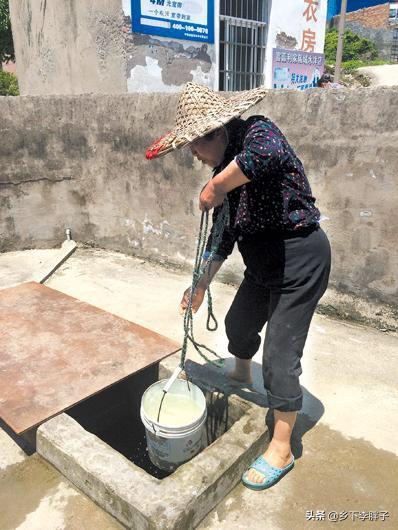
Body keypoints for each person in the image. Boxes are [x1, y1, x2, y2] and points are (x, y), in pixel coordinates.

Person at [146, 82, 331, 491]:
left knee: (282, 353)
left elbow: (267, 156)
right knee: (238, 323)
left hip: (300, 259)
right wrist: (198, 287)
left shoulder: (258, 133)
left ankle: (282, 447)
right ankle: (242, 375)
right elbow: (220, 239)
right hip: (262, 267)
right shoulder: (222, 174)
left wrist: (216, 186)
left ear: (216, 131)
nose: (193, 155)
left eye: (194, 145)